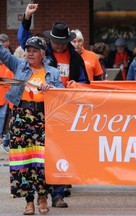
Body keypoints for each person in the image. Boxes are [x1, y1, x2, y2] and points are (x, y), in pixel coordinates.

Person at [17, 3, 90, 208]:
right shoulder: (43, 52)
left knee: (59, 150)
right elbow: (24, 40)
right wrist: (27, 18)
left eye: (61, 42)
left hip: (63, 108)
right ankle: (39, 196)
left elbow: (85, 81)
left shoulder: (75, 57)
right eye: (55, 42)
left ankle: (57, 194)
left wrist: (78, 84)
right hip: (42, 108)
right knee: (39, 153)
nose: (58, 46)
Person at [0, 35, 64, 215]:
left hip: (43, 117)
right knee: (23, 160)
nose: (30, 53)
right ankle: (28, 201)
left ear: (42, 53)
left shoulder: (52, 72)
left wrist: (51, 88)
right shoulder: (18, 65)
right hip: (21, 117)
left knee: (42, 161)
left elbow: (62, 94)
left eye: (34, 50)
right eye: (28, 50)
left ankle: (42, 197)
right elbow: (3, 54)